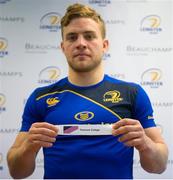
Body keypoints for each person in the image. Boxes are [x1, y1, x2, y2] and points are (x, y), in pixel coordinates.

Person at [7, 3, 168, 179]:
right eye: (72, 37)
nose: (81, 43)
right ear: (62, 47)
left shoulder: (132, 93)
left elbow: (159, 166)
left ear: (105, 45)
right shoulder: (41, 97)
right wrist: (28, 146)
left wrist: (144, 143)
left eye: (89, 36)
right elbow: (16, 172)